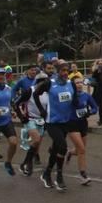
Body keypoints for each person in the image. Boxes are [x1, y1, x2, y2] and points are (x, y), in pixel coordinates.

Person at [33, 62, 75, 191]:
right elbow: (35, 94)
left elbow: (75, 100)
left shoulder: (70, 83)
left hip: (65, 121)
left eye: (67, 71)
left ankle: (46, 174)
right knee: (62, 147)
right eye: (63, 70)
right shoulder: (49, 83)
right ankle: (59, 176)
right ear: (57, 71)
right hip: (52, 122)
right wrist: (41, 109)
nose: (66, 73)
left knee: (57, 149)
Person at [13, 72, 49, 176]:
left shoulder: (48, 92)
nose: (44, 84)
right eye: (42, 81)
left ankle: (25, 163)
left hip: (42, 120)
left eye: (46, 82)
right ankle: (27, 164)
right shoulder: (30, 91)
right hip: (30, 120)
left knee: (37, 145)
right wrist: (21, 117)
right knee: (36, 140)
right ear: (37, 82)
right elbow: (16, 103)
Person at [65, 75, 96, 185]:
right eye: (77, 83)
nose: (79, 84)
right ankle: (82, 174)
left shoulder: (86, 96)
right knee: (82, 149)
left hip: (83, 123)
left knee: (79, 151)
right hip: (72, 124)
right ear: (72, 85)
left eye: (81, 82)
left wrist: (90, 112)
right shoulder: (69, 96)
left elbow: (95, 108)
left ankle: (69, 152)